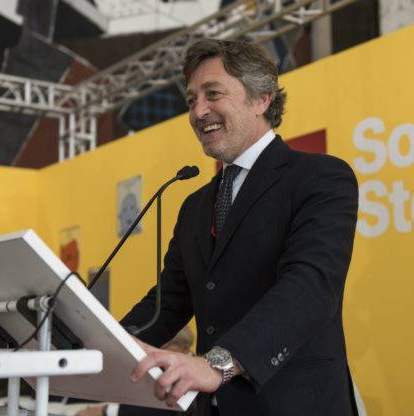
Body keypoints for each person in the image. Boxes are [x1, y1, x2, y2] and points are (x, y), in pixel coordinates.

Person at [121, 39, 359, 416]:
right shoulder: (195, 205)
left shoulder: (321, 178)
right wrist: (93, 346)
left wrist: (218, 364)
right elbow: (167, 304)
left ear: (262, 98)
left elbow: (310, 287)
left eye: (213, 94)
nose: (198, 111)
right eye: (191, 100)